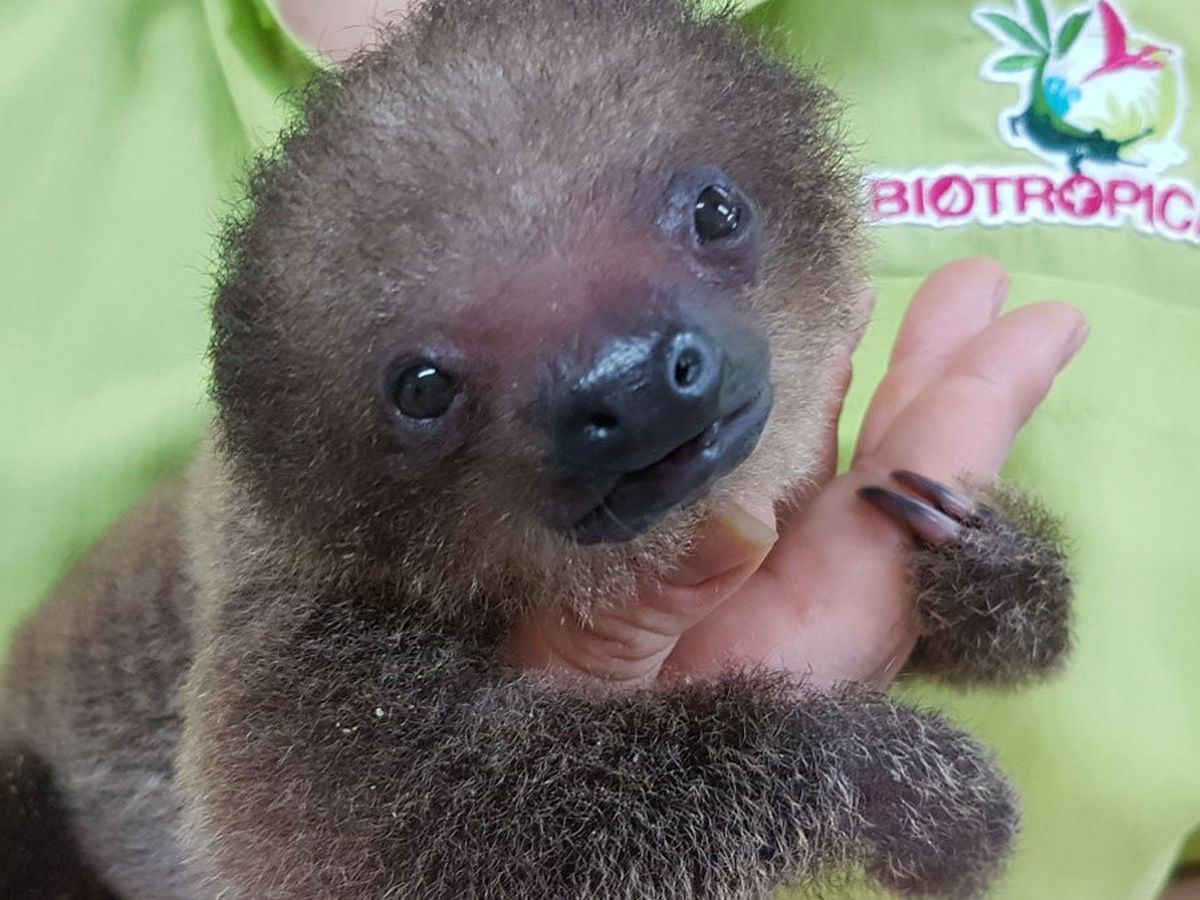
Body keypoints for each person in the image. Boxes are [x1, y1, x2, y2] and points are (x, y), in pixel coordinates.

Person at [0, 0, 1193, 896]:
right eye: (431, 393)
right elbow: (340, 843)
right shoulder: (332, 569)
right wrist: (806, 772)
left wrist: (982, 579)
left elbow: (1018, 655)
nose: (625, 385)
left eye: (707, 224)